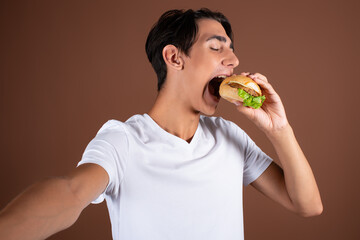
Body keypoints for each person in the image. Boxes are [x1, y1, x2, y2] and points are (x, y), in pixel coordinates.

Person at [0, 8, 322, 240]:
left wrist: (279, 129)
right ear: (174, 57)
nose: (234, 60)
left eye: (232, 48)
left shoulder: (228, 136)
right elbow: (71, 192)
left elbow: (307, 205)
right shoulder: (122, 140)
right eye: (216, 46)